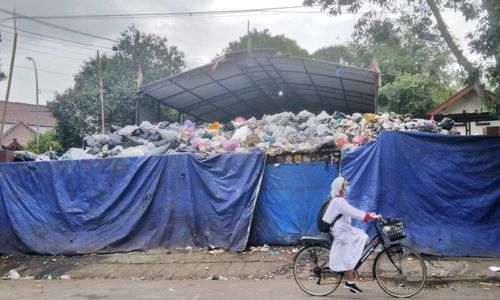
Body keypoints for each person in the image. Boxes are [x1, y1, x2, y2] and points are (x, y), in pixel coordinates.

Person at [323, 176, 380, 293]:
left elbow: (351, 210)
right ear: (340, 188)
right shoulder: (338, 201)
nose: (348, 187)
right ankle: (349, 279)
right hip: (341, 232)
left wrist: (368, 214)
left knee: (362, 236)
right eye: (346, 185)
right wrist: (368, 216)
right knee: (350, 252)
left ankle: (350, 278)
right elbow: (351, 211)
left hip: (345, 229)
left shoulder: (341, 200)